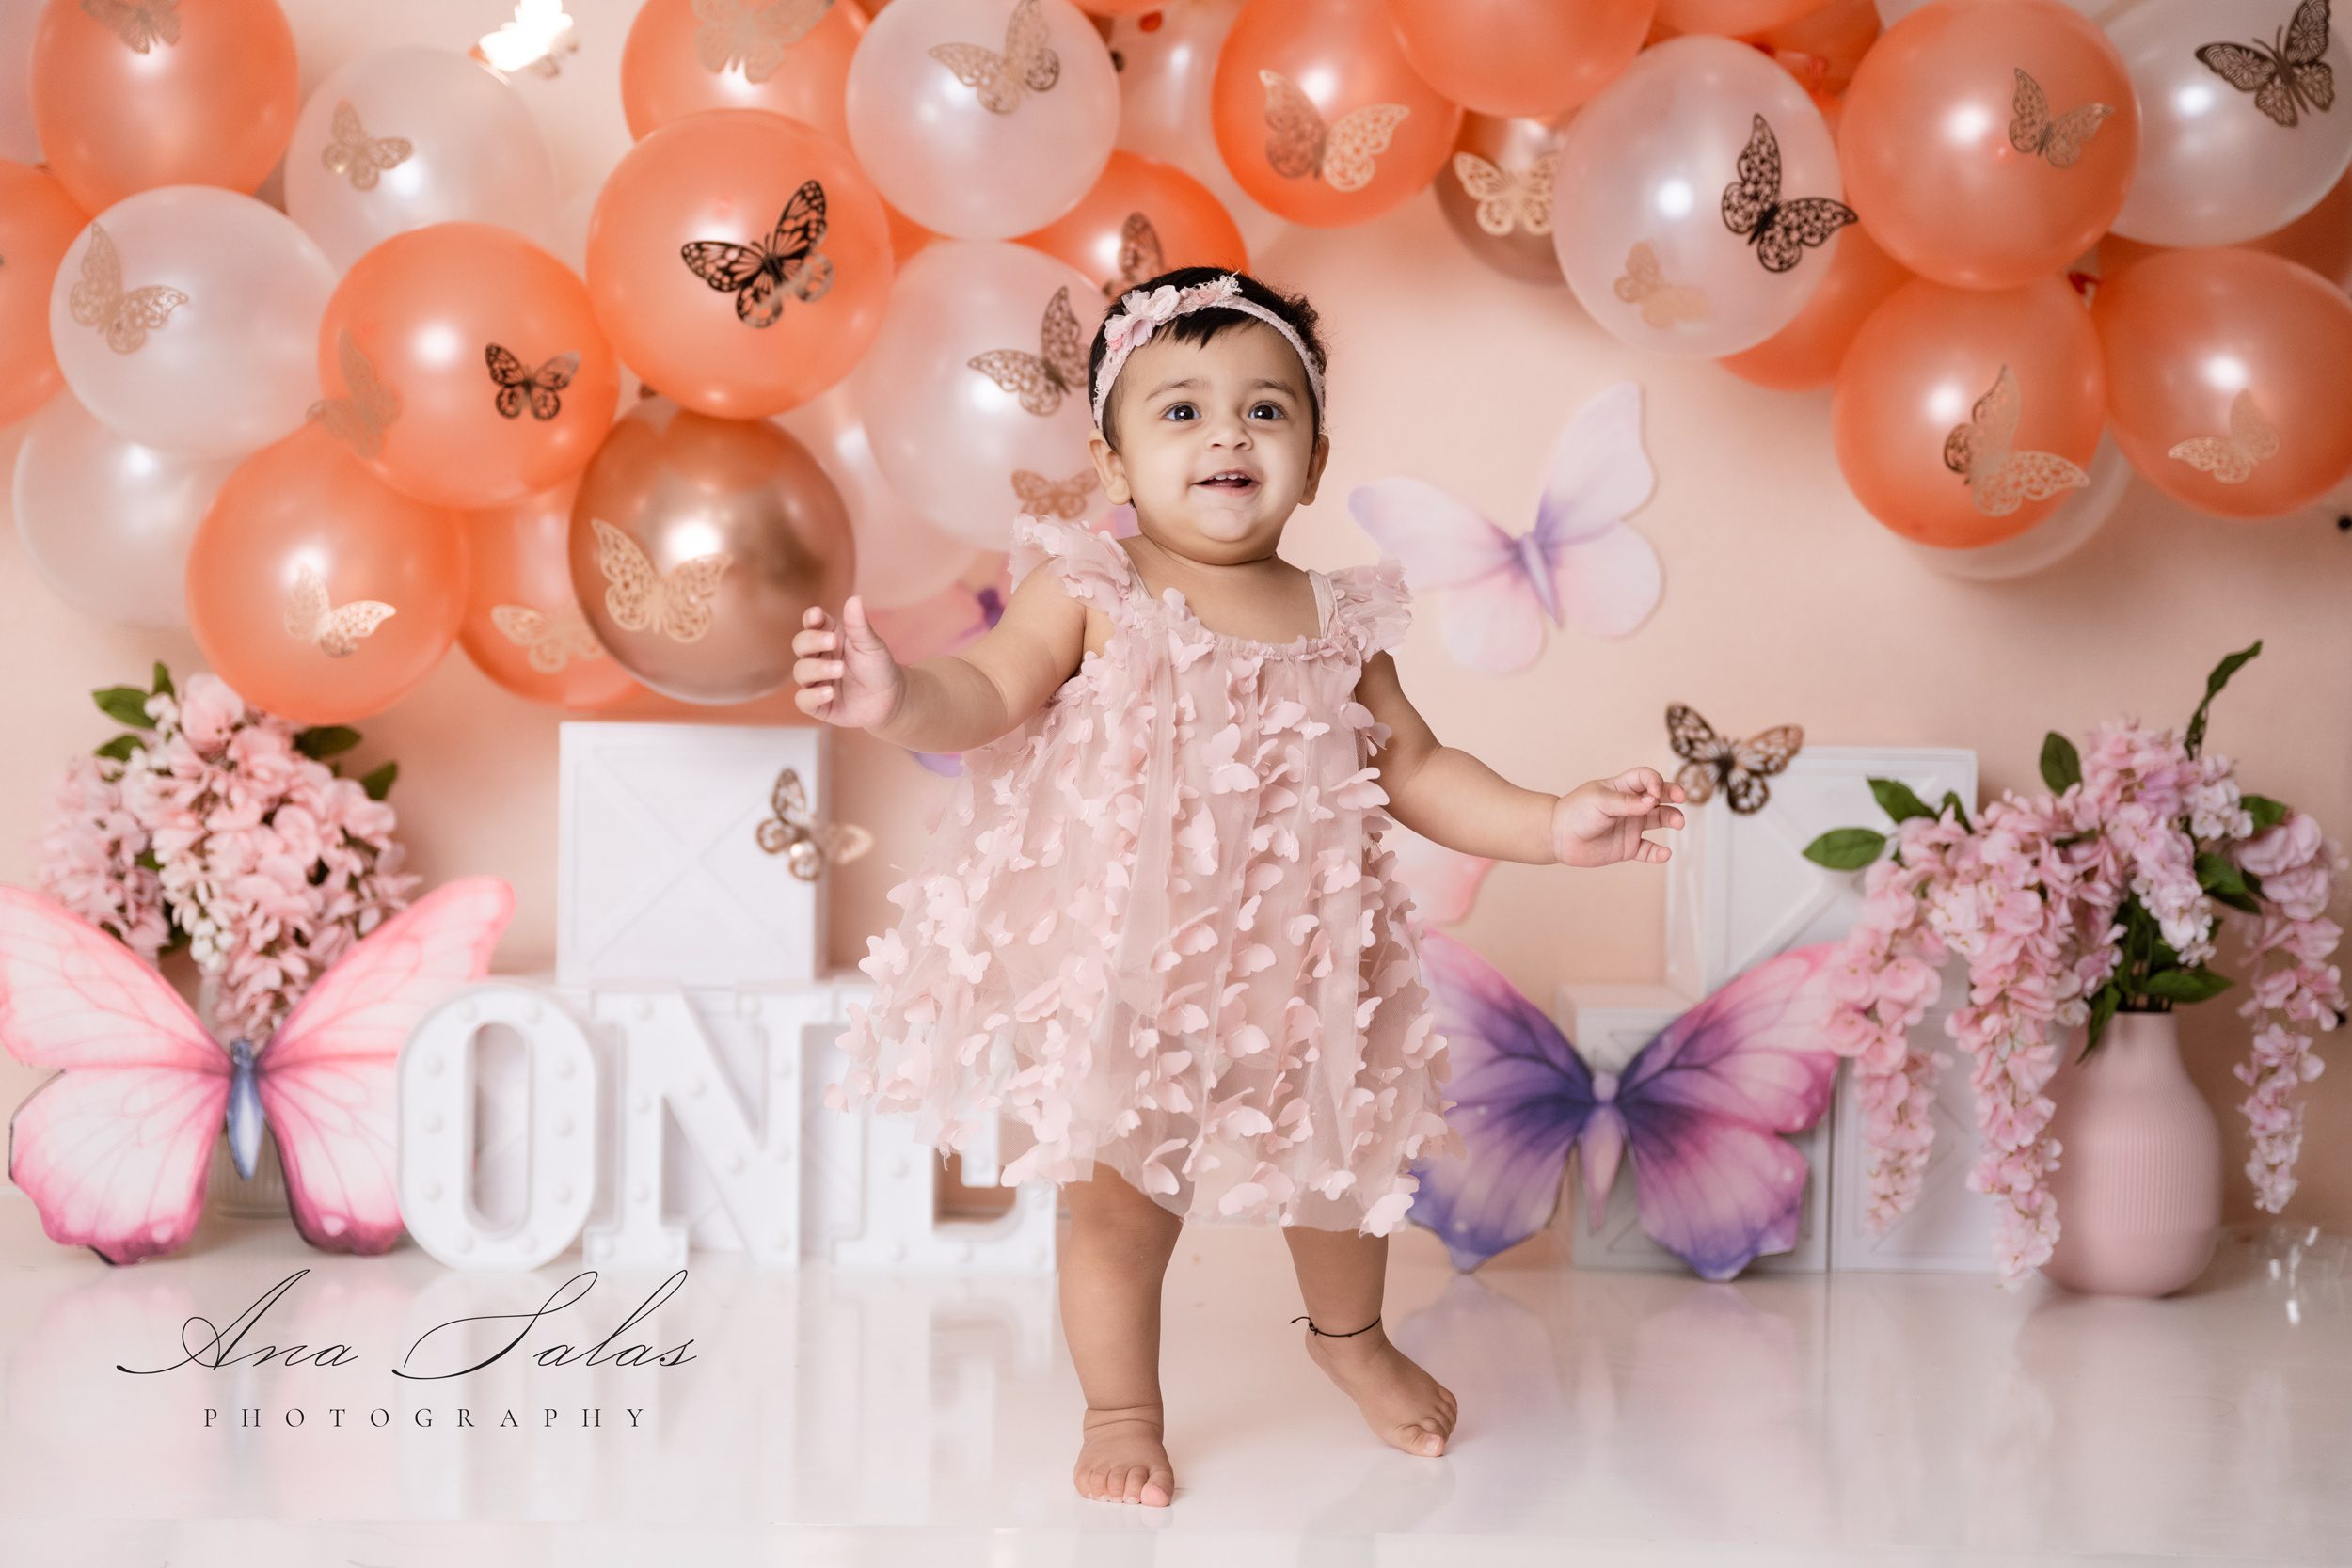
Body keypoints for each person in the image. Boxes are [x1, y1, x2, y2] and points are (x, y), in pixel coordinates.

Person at [800, 266, 1686, 1508]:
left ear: (1315, 461)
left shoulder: (1331, 615)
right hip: (1137, 970)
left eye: (1267, 410)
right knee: (1121, 1207)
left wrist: (1551, 822)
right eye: (1179, 411)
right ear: (1111, 463)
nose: (1227, 431)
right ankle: (1122, 1407)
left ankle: (1353, 1342)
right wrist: (896, 697)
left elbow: (1420, 766)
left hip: (1304, 972)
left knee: (1341, 1179)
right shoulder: (1092, 591)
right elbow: (990, 689)